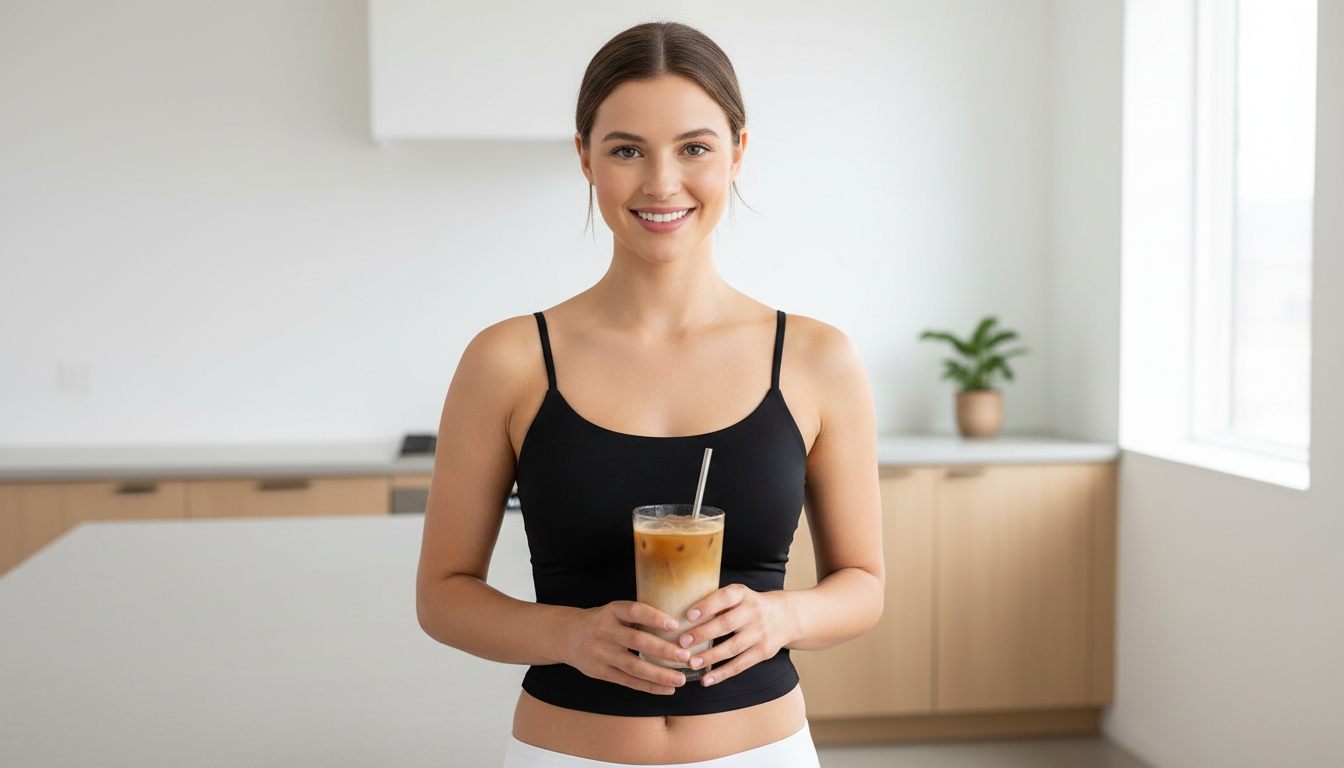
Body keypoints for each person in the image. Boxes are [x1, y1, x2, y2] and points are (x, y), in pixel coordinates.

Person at [416, 21, 884, 768]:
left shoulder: (815, 358)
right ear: (585, 159)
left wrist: (782, 616)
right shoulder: (507, 360)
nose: (661, 182)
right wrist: (566, 634)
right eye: (626, 149)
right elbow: (443, 595)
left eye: (694, 147)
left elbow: (863, 585)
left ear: (737, 151)